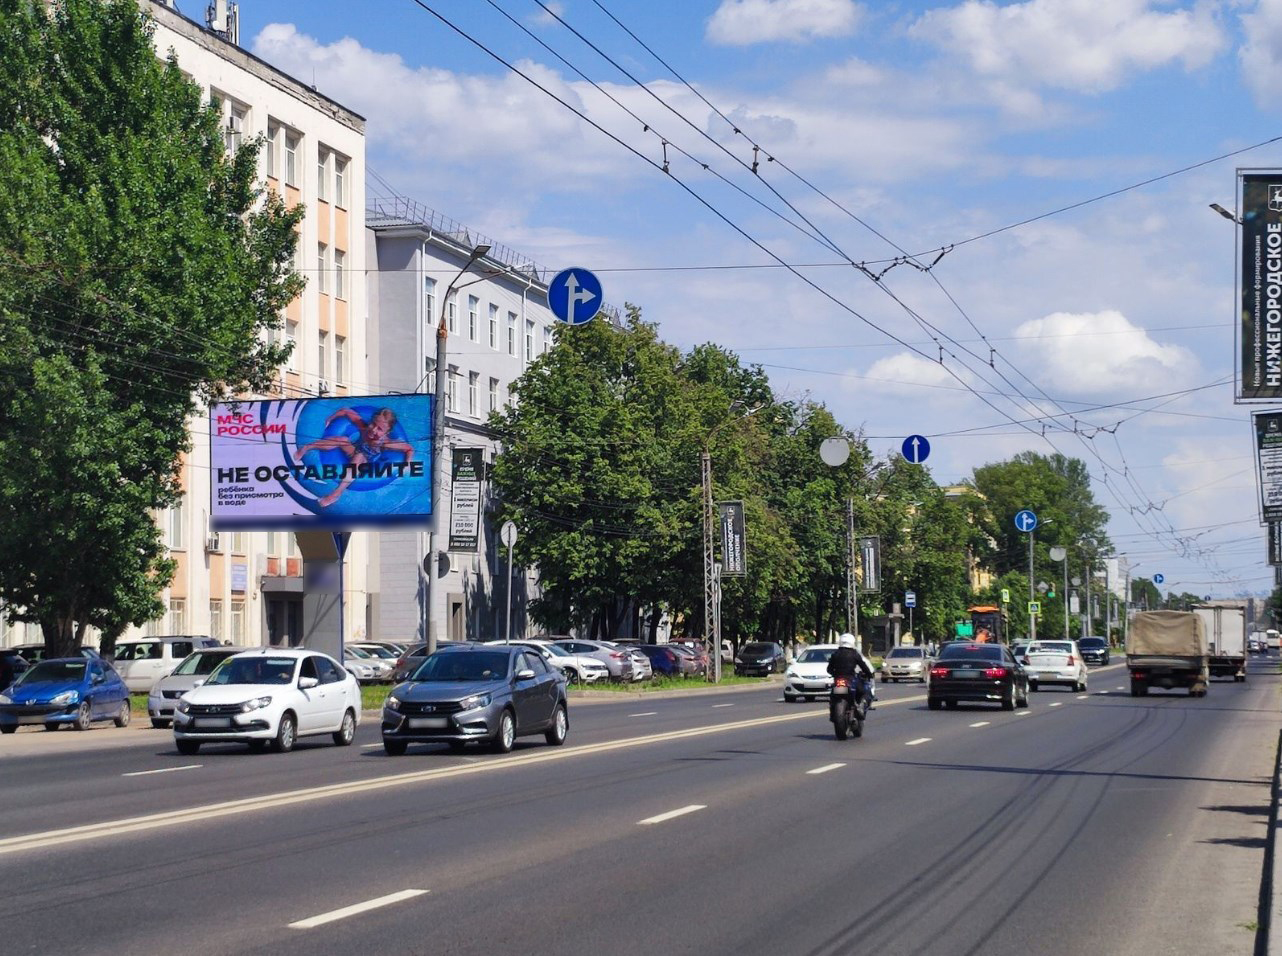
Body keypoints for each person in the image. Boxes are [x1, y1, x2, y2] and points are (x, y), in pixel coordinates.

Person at [297, 407, 414, 507]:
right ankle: (306, 448)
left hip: (367, 462)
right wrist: (331, 418)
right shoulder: (363, 427)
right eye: (373, 424)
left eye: (379, 429)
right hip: (354, 451)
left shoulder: (386, 443)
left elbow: (409, 448)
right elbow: (345, 411)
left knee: (360, 456)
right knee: (343, 440)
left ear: (387, 432)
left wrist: (407, 463)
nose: (373, 430)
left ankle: (336, 494)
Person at [827, 633, 876, 711]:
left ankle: (834, 709)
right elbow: (863, 666)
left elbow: (829, 669)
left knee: (833, 696)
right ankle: (861, 705)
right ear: (852, 642)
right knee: (863, 691)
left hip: (838, 680)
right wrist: (869, 675)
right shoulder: (854, 654)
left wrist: (835, 674)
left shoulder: (835, 654)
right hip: (850, 679)